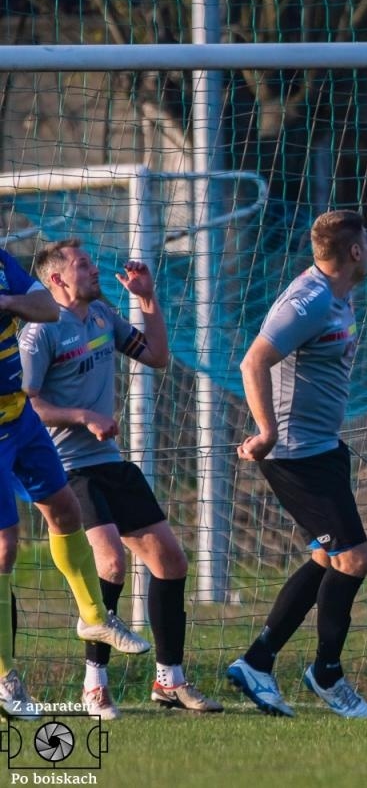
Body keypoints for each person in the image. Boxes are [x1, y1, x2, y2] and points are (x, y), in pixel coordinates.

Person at [21, 240, 222, 718]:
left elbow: (155, 356)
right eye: (82, 265)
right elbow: (27, 404)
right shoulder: (39, 332)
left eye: (91, 262)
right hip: (66, 469)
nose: (93, 269)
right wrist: (82, 415)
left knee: (171, 561)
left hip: (109, 462)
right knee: (109, 563)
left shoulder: (102, 317)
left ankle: (169, 680)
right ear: (57, 280)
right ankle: (94, 686)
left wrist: (148, 300)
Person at [228, 210, 367, 719]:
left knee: (325, 559)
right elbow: (254, 361)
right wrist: (266, 432)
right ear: (354, 251)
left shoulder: (338, 292)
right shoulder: (309, 300)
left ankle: (257, 661)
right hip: (295, 454)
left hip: (322, 448)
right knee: (355, 559)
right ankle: (327, 673)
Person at [0, 247, 150, 721]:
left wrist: (4, 303)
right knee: (5, 548)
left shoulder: (1, 259)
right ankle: (4, 678)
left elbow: (42, 305)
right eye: (79, 264)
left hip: (19, 420)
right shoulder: (45, 339)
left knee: (63, 509)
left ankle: (93, 618)